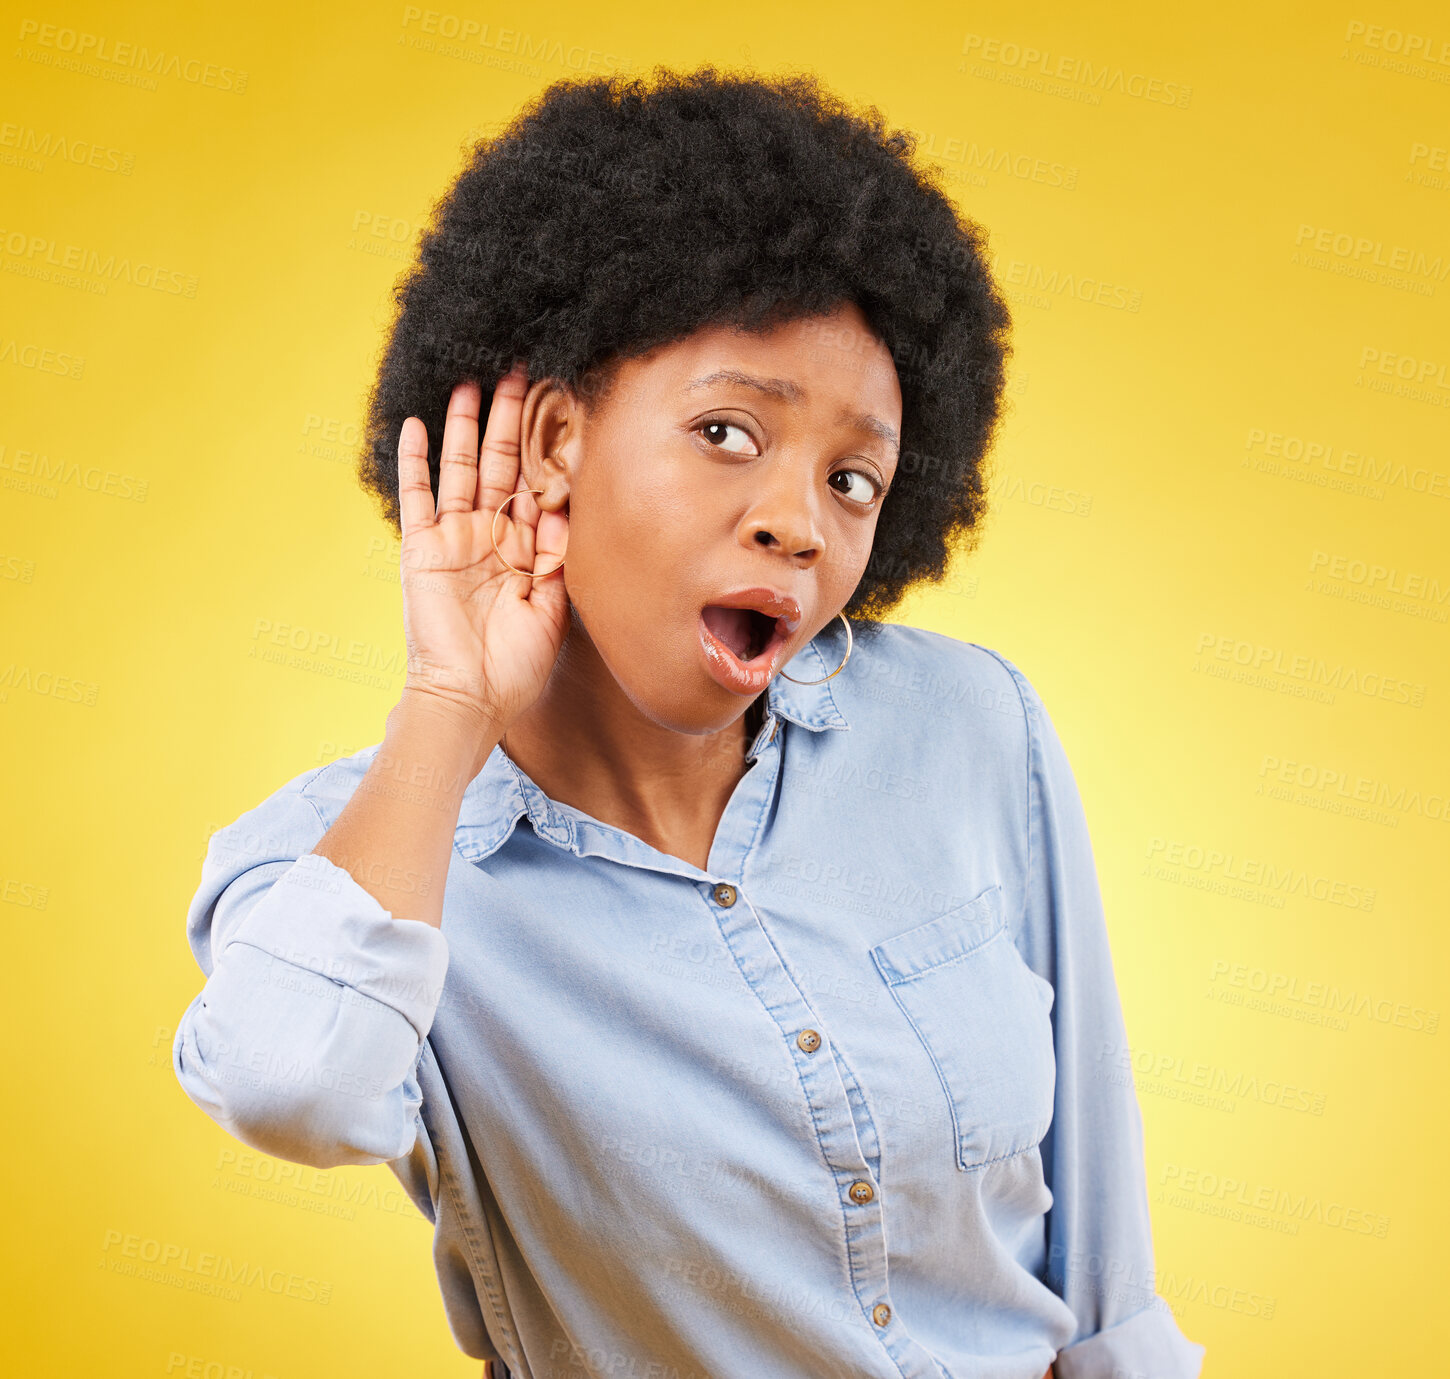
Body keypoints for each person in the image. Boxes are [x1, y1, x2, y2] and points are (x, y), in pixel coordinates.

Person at [173, 66, 1206, 1379]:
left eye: (851, 478)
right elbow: (292, 1090)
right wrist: (450, 701)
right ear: (552, 438)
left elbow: (1106, 1281)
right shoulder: (359, 859)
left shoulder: (967, 726)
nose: (800, 520)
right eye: (727, 431)